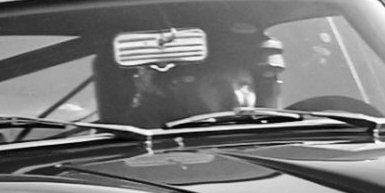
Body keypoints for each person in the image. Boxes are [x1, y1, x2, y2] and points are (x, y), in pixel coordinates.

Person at [98, 25, 287, 128]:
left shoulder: (278, 131)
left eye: (245, 85)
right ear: (187, 93)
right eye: (217, 85)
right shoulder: (151, 135)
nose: (237, 97)